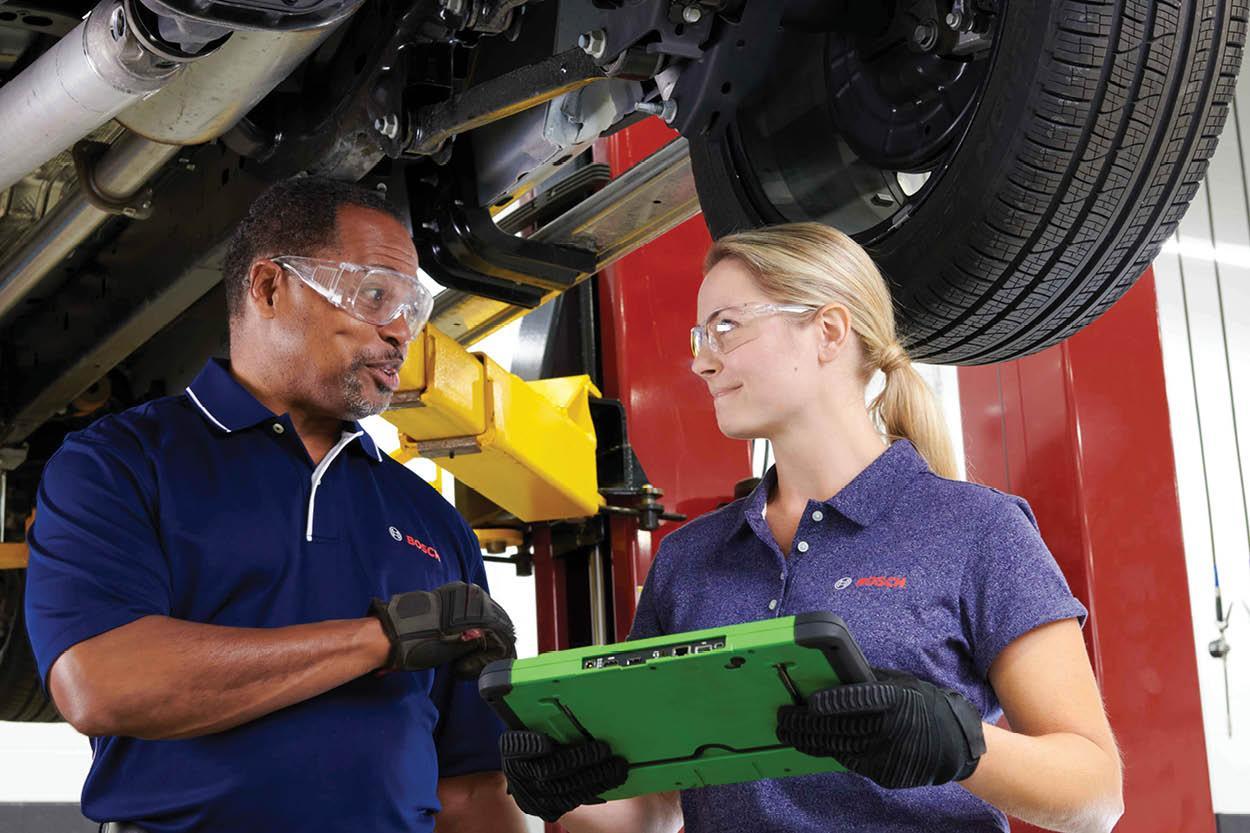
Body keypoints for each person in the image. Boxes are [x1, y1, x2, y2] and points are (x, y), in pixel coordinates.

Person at [500, 222, 1124, 833]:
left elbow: (1094, 797)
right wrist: (571, 788)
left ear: (827, 331)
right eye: (700, 336)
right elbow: (658, 807)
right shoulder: (687, 558)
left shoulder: (978, 529)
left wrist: (959, 743)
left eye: (727, 328)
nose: (702, 363)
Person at [23, 177, 528, 833]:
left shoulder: (433, 520)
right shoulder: (119, 464)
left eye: (412, 308)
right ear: (267, 287)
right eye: (376, 295)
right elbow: (101, 680)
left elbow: (469, 789)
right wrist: (382, 638)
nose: (400, 332)